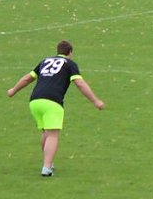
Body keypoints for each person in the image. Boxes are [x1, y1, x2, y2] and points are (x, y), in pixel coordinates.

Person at [6, 40, 105, 177]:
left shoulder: (45, 61)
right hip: (52, 101)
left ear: (57, 51)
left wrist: (13, 90)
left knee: (46, 133)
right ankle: (46, 168)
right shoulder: (70, 64)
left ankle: (48, 163)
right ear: (70, 53)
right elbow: (80, 83)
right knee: (53, 134)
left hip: (35, 101)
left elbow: (28, 78)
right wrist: (95, 101)